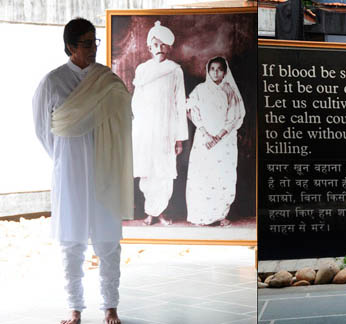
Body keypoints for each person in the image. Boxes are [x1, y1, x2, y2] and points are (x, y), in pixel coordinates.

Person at [33, 18, 133, 324]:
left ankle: (110, 306)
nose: (93, 49)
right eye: (87, 43)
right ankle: (74, 307)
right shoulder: (52, 82)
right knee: (71, 242)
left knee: (108, 242)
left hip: (105, 169)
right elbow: (43, 130)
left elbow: (127, 116)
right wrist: (67, 157)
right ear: (70, 46)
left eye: (94, 42)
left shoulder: (108, 80)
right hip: (69, 173)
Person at [132, 21, 188, 226]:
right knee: (148, 170)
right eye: (155, 45)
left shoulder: (175, 70)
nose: (160, 49)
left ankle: (161, 211)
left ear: (170, 47)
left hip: (167, 128)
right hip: (147, 128)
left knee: (164, 171)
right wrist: (139, 128)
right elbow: (136, 101)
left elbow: (179, 103)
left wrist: (179, 138)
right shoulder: (142, 70)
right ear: (149, 48)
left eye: (164, 45)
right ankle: (150, 212)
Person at [185, 56, 245, 226]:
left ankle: (221, 214)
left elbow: (234, 116)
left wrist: (218, 136)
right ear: (208, 70)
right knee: (202, 174)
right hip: (204, 139)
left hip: (224, 140)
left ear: (225, 72)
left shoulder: (230, 91)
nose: (216, 72)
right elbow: (191, 111)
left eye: (219, 69)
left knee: (222, 174)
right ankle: (200, 215)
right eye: (212, 69)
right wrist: (206, 134)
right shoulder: (200, 89)